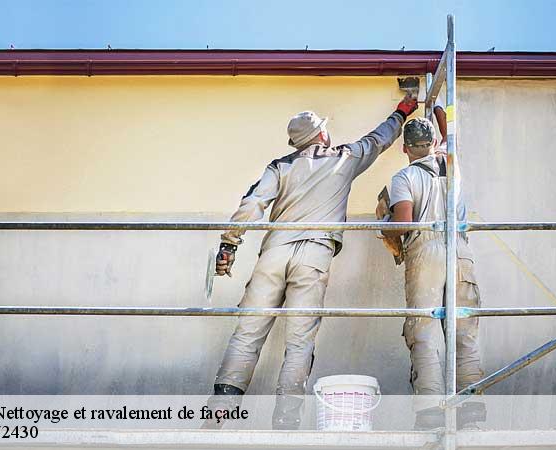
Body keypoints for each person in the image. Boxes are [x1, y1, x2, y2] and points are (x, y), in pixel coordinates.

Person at [205, 95, 419, 430]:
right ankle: (286, 421)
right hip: (315, 255)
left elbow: (252, 203)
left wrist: (229, 244)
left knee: (246, 334)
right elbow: (379, 139)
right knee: (300, 340)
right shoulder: (345, 159)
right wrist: (402, 112)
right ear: (321, 135)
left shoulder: (280, 166)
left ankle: (218, 415)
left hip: (274, 253)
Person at [383, 117, 485, 429]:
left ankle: (430, 416)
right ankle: (471, 416)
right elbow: (447, 128)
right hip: (459, 248)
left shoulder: (404, 176)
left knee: (425, 331)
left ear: (404, 148)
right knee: (464, 331)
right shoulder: (453, 166)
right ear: (434, 143)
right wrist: (439, 107)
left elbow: (404, 224)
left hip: (426, 250)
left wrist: (384, 219)